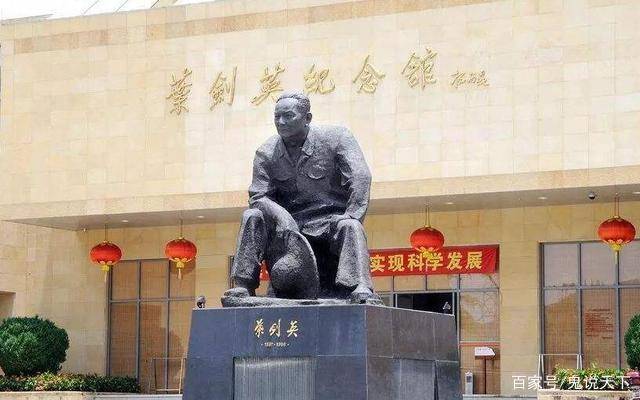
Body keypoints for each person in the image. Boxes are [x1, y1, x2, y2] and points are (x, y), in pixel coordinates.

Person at [226, 91, 378, 303]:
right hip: (287, 227)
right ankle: (243, 284)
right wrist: (281, 216)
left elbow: (361, 176)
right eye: (277, 117)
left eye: (288, 116)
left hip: (328, 222)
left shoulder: (336, 138)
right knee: (252, 215)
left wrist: (352, 214)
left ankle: (360, 286)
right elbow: (258, 196)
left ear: (307, 118)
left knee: (350, 226)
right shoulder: (266, 153)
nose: (281, 122)